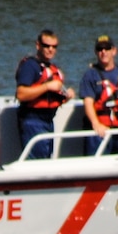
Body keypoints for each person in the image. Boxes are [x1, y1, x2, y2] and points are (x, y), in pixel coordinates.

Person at [15, 29, 73, 160]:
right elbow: (21, 94)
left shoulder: (52, 68)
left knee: (46, 158)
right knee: (36, 162)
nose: (50, 49)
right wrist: (47, 86)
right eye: (46, 46)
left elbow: (52, 99)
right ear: (38, 45)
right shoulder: (30, 66)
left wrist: (66, 96)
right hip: (33, 120)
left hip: (49, 120)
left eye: (54, 47)